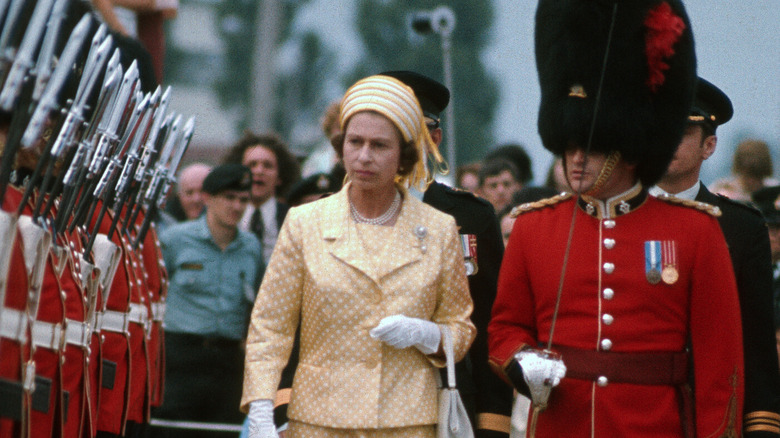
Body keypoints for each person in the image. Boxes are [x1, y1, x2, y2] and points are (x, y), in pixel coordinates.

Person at [488, 1, 744, 437]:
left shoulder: (695, 231)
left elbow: (721, 367)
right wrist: (521, 360)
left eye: (590, 147)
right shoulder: (533, 228)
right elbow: (505, 327)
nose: (575, 160)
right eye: (567, 147)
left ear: (627, 147)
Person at [242, 74, 476, 438]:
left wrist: (426, 334)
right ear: (341, 148)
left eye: (380, 145)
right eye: (355, 142)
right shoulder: (305, 222)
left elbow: (461, 329)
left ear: (403, 154)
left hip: (408, 422)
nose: (364, 156)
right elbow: (270, 327)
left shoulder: (440, 228)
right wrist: (259, 408)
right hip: (320, 421)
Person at [383, 70, 514, 437]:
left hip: (446, 397)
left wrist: (493, 421)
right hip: (359, 398)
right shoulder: (339, 214)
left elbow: (490, 323)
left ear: (434, 137)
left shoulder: (471, 216)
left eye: (412, 128)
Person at [651, 78, 780, 437]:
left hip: (714, 415)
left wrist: (761, 427)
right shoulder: (619, 220)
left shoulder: (741, 228)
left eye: (681, 132)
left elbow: (757, 346)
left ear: (709, 146)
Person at [154, 164, 263, 438]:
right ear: (207, 198)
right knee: (172, 431)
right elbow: (152, 292)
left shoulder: (251, 247)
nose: (236, 206)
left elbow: (258, 305)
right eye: (229, 197)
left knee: (222, 432)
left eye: (243, 199)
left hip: (227, 362)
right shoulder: (176, 240)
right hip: (180, 357)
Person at [222, 132, 301, 265]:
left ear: (279, 177)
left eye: (268, 165)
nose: (259, 171)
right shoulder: (224, 216)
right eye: (252, 165)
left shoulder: (294, 219)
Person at [710, 139, 778, 202]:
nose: (752, 182)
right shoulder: (721, 191)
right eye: (748, 175)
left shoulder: (775, 192)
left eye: (757, 176)